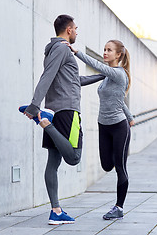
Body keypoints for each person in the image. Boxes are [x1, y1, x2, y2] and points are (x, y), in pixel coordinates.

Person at [23, 14, 104, 225]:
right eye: (75, 28)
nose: (77, 32)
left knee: (53, 162)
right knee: (74, 157)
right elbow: (47, 76)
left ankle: (56, 211)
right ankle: (44, 122)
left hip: (55, 109)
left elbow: (74, 80)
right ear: (68, 30)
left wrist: (102, 74)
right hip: (67, 111)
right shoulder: (62, 48)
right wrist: (34, 105)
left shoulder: (54, 51)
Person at [66, 40, 135, 220]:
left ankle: (119, 207)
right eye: (104, 49)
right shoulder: (108, 77)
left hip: (119, 127)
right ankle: (117, 157)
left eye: (109, 50)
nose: (105, 53)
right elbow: (118, 99)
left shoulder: (118, 73)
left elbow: (96, 65)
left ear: (118, 55)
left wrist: (77, 52)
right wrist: (131, 116)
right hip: (103, 125)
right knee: (106, 164)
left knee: (120, 167)